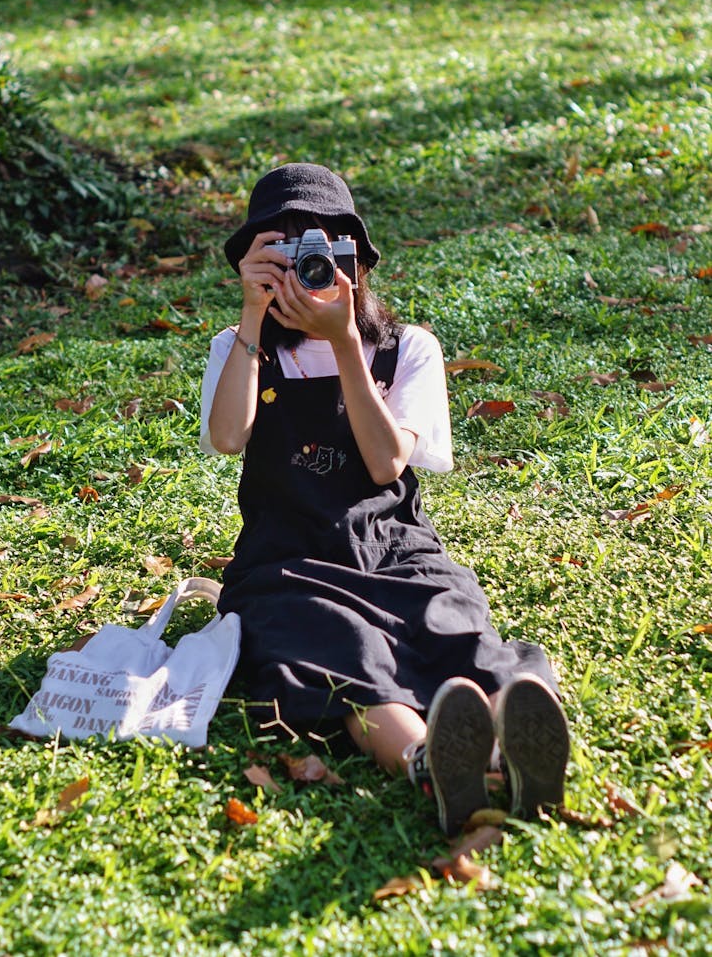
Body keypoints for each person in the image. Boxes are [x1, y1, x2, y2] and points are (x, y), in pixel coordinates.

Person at [200, 162, 570, 836]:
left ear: (356, 261)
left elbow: (384, 460)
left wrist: (344, 341)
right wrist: (253, 316)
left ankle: (512, 739)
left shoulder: (406, 349)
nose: (305, 272)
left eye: (322, 252)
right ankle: (429, 761)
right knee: (340, 652)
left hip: (395, 547)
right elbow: (228, 437)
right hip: (288, 561)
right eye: (282, 252)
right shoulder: (240, 350)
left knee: (454, 624)